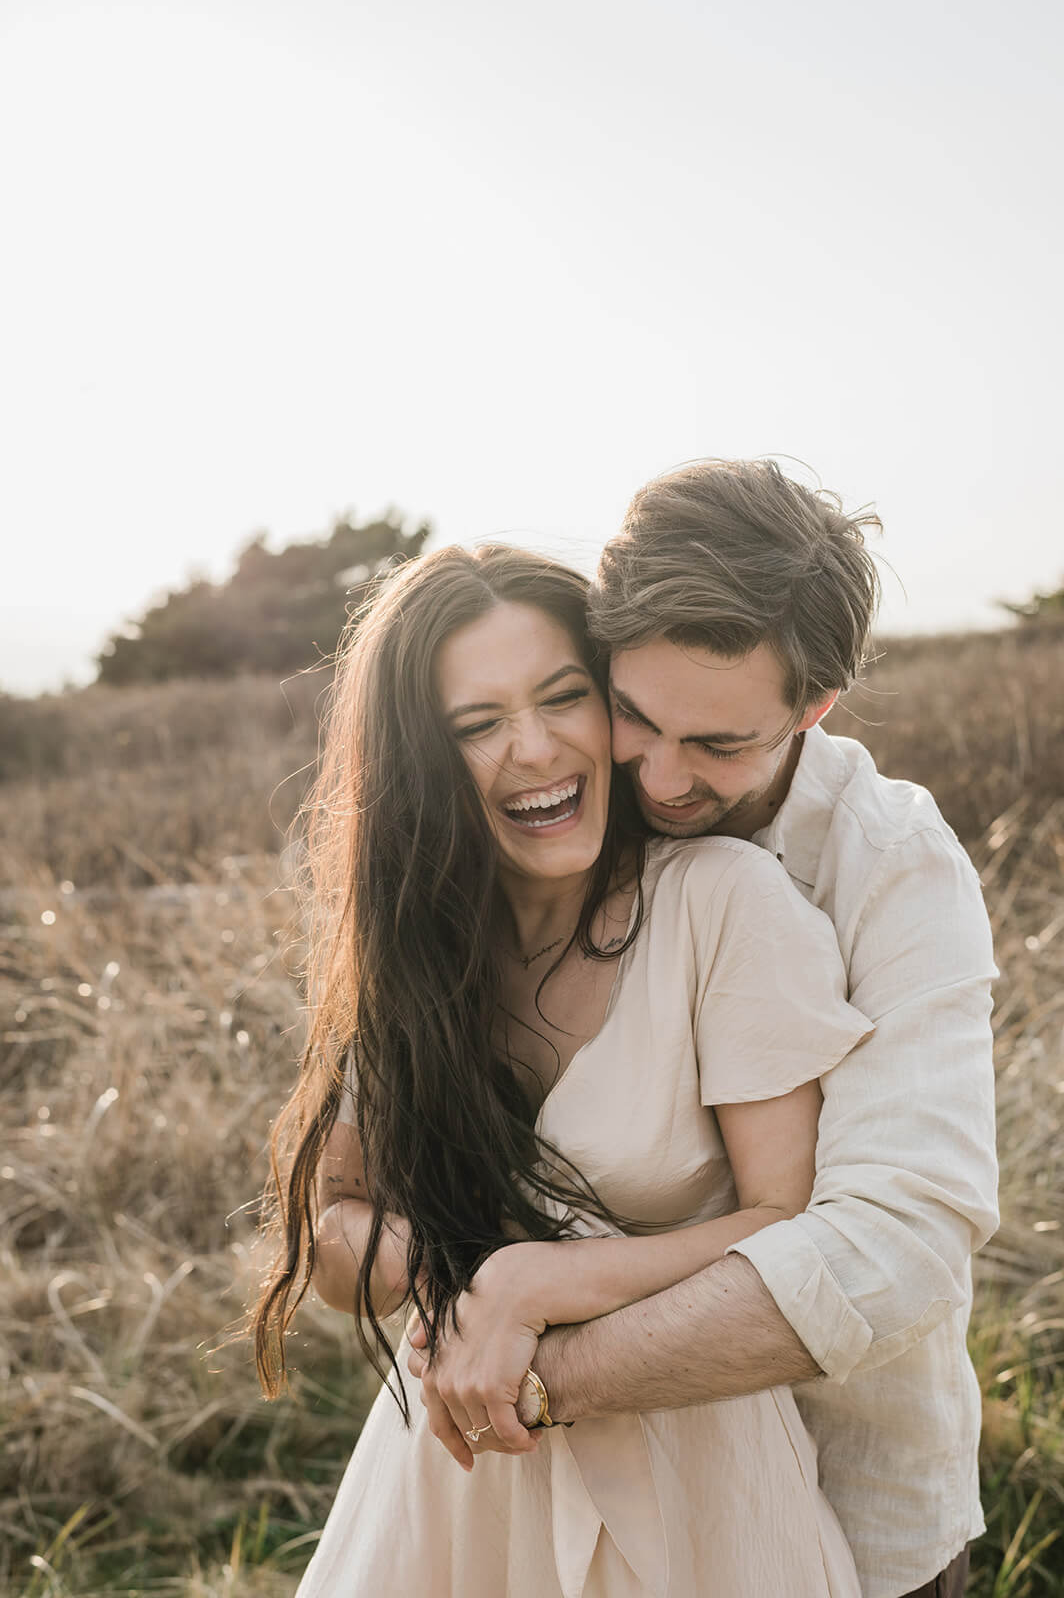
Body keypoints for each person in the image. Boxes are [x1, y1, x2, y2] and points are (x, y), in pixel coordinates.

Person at [409, 462, 998, 1598]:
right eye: (633, 714)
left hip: (849, 1497)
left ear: (813, 706)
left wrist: (537, 1363)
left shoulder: (893, 862)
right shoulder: (558, 804)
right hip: (544, 1512)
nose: (660, 777)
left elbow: (898, 1246)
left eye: (719, 745)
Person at [252, 541, 876, 1597]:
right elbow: (336, 1225)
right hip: (463, 1469)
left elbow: (789, 1218)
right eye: (477, 724)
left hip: (698, 1481)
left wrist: (534, 1276)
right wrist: (421, 1260)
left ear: (609, 705)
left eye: (561, 698)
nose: (534, 748)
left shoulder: (721, 902)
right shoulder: (413, 950)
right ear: (422, 759)